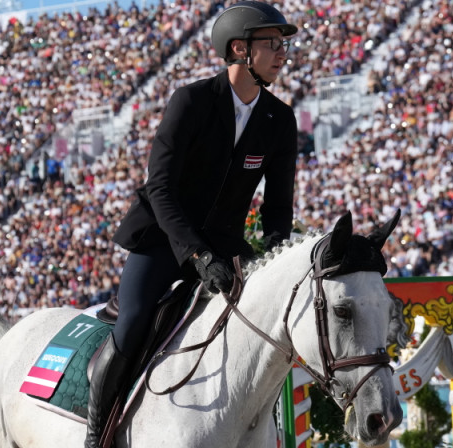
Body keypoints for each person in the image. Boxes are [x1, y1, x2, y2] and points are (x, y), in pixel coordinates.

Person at [84, 2, 299, 446]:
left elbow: (278, 210)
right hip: (163, 239)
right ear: (240, 49)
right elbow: (160, 188)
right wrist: (196, 254)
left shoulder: (281, 120)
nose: (283, 53)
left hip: (225, 245)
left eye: (284, 45)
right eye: (273, 44)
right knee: (134, 322)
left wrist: (279, 260)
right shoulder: (193, 101)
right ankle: (96, 435)